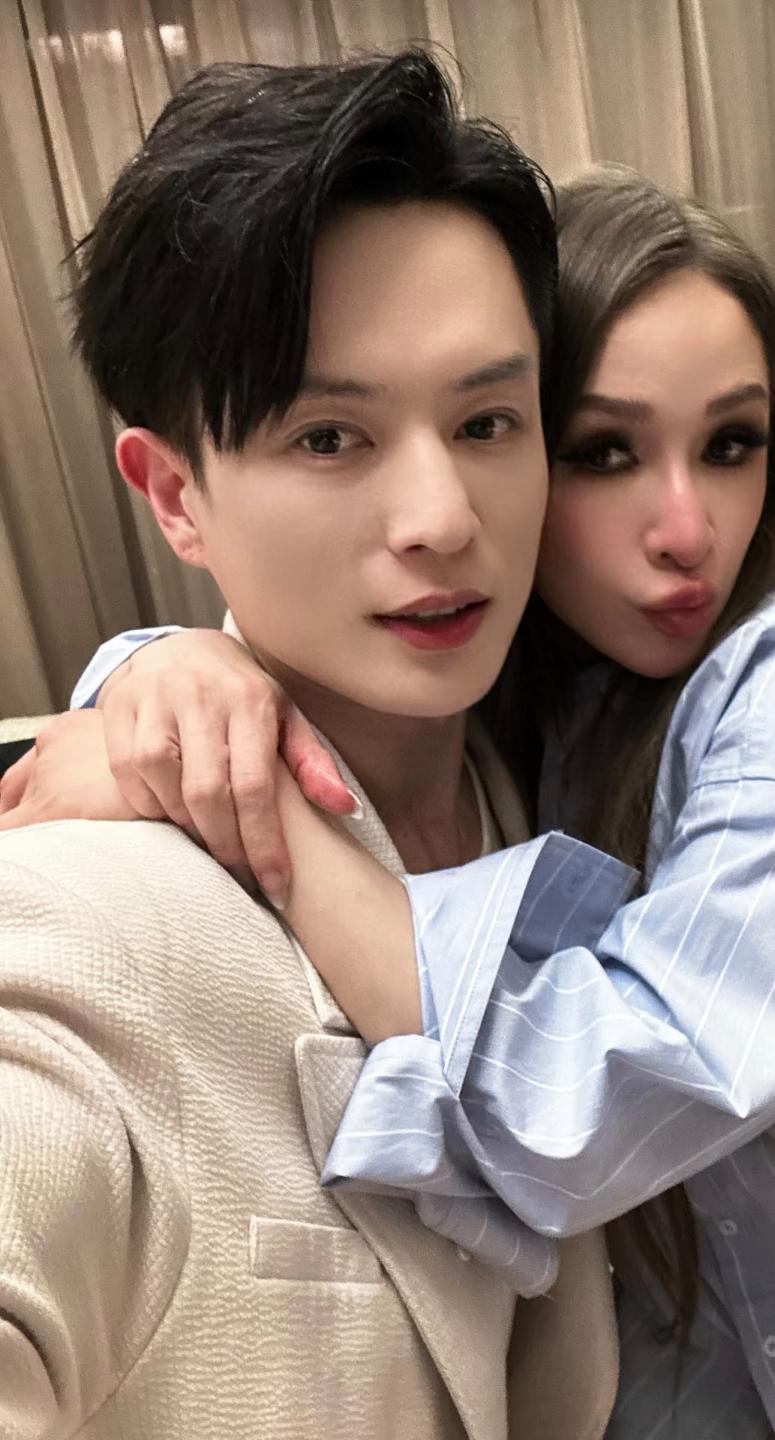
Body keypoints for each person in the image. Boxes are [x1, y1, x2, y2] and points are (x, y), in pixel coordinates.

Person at [10, 172, 775, 1440]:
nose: (687, 531)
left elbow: (575, 1105)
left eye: (732, 444)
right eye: (604, 452)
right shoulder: (514, 685)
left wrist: (256, 809)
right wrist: (161, 673)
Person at [0, 53, 620, 1440]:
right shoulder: (70, 929)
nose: (442, 518)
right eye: (331, 436)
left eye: (487, 422)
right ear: (176, 495)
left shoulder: (571, 756)